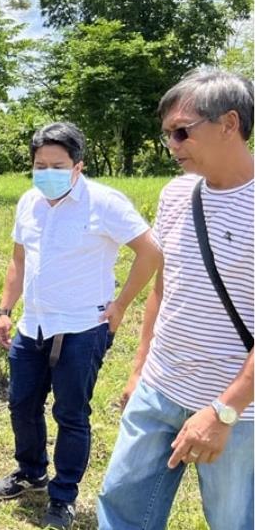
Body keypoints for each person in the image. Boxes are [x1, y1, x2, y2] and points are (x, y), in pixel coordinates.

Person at [97, 69, 254, 530]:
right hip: (159, 388)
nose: (172, 144)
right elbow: (165, 286)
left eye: (182, 131)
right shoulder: (176, 194)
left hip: (238, 414)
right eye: (167, 134)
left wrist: (225, 410)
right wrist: (139, 369)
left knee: (233, 522)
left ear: (229, 124)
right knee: (120, 508)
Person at [0, 122, 161, 529]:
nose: (47, 172)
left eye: (57, 165)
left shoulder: (104, 203)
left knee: (71, 413)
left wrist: (120, 305)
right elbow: (18, 259)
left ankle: (63, 495)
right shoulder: (28, 201)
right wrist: (4, 308)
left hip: (83, 329)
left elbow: (150, 251)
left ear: (78, 166)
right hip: (33, 326)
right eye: (39, 164)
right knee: (21, 405)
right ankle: (31, 472)